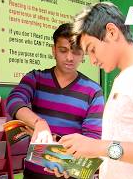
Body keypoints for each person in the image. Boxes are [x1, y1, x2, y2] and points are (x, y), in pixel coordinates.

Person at [58, 2, 133, 179]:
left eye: (92, 49)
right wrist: (78, 161)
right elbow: (121, 150)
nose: (92, 60)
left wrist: (100, 147)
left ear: (112, 32)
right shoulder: (123, 78)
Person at [6, 23, 104, 179]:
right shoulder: (36, 78)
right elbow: (14, 101)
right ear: (54, 50)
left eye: (76, 52)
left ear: (83, 54)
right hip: (34, 173)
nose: (70, 57)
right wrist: (39, 123)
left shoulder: (93, 91)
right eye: (63, 50)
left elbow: (92, 139)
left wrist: (63, 159)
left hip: (70, 172)